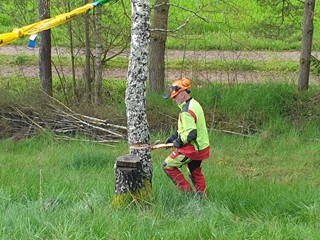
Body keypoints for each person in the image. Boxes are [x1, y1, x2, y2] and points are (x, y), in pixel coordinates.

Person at [162, 77, 211, 198]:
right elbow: (186, 129)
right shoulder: (194, 104)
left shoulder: (186, 111)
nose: (174, 100)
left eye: (175, 97)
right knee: (194, 171)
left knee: (167, 166)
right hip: (202, 146)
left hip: (193, 148)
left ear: (183, 95)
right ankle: (202, 197)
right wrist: (174, 137)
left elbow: (191, 134)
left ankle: (187, 194)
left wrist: (178, 141)